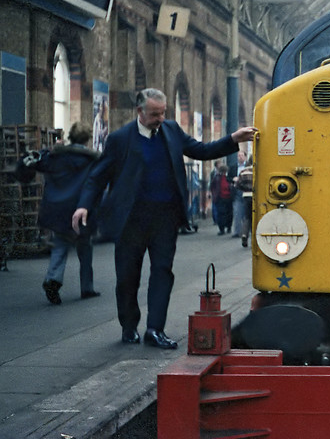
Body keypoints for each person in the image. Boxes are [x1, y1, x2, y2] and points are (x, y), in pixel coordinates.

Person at [71, 88, 256, 349]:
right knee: (127, 277)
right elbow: (97, 176)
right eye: (155, 114)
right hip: (131, 220)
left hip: (165, 219)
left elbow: (201, 150)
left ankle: (155, 329)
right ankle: (129, 326)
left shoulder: (171, 130)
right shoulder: (120, 139)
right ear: (140, 112)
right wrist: (83, 206)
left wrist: (232, 139)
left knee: (162, 272)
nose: (160, 118)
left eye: (163, 112)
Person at [17, 122, 100, 305]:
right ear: (87, 140)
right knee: (85, 248)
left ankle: (53, 278)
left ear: (70, 136)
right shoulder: (93, 160)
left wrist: (50, 149)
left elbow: (37, 163)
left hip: (57, 209)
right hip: (82, 209)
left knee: (61, 245)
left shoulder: (55, 155)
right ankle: (87, 287)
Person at [234, 156, 254, 248]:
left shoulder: (243, 171)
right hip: (256, 196)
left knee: (246, 216)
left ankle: (244, 234)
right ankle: (254, 238)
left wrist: (244, 189)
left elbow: (237, 185)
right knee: (255, 217)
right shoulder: (259, 170)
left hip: (246, 196)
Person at [210, 163, 233, 235]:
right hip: (221, 197)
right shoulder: (217, 178)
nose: (223, 173)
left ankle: (225, 228)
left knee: (226, 213)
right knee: (223, 213)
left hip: (226, 197)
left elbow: (212, 186)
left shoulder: (227, 178)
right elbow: (212, 187)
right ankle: (223, 228)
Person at [231, 150, 247, 238]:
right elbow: (228, 178)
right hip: (237, 191)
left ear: (245, 157)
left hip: (246, 191)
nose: (239, 157)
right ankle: (237, 231)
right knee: (237, 212)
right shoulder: (233, 167)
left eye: (241, 156)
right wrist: (233, 179)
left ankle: (245, 231)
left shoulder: (249, 167)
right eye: (238, 156)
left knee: (246, 214)